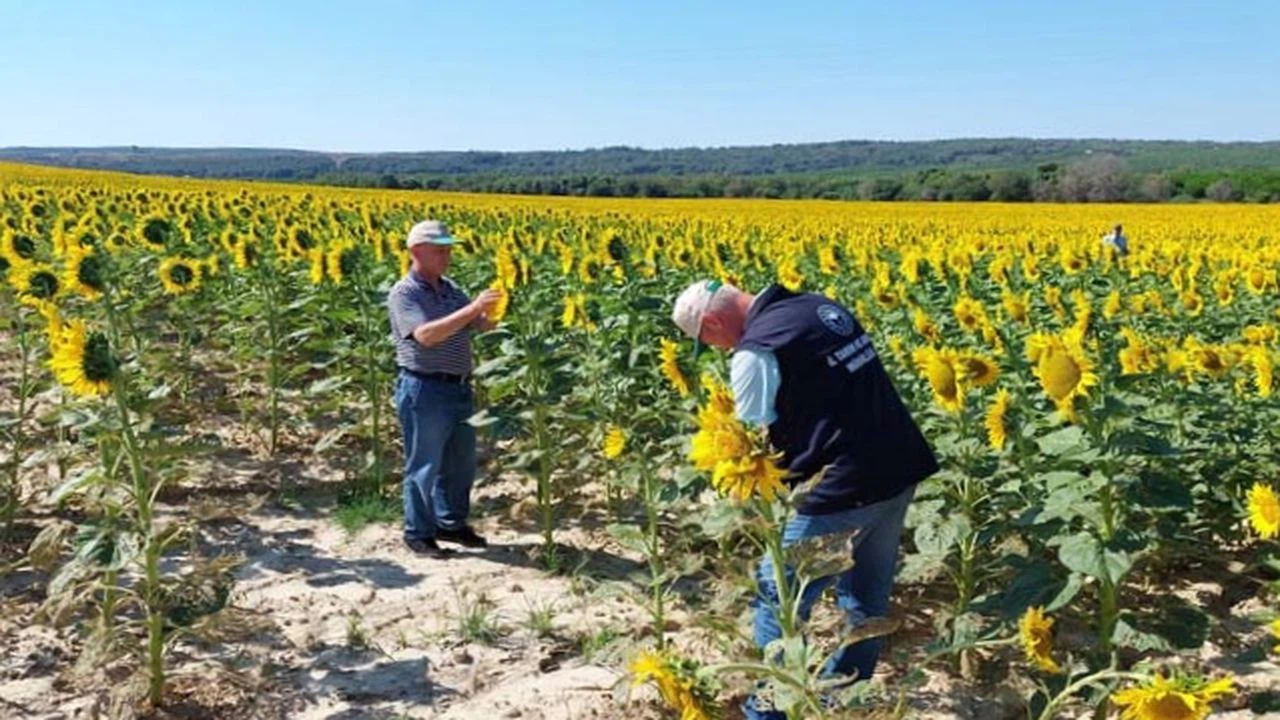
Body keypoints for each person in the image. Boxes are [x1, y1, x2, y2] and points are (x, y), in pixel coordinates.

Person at [671, 279, 939, 719]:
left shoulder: (755, 351)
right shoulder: (817, 306)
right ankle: (841, 702)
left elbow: (753, 439)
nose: (717, 349)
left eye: (707, 341)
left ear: (714, 322)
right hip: (899, 465)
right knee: (866, 602)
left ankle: (772, 711)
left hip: (842, 485)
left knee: (779, 596)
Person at [387, 220, 502, 558]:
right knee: (424, 463)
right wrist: (472, 309)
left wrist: (500, 304)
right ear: (415, 252)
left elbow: (481, 324)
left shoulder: (451, 288)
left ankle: (450, 523)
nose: (447, 255)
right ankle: (418, 533)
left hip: (458, 387)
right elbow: (425, 336)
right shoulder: (404, 292)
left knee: (460, 462)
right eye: (439, 250)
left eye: (448, 249)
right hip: (424, 387)